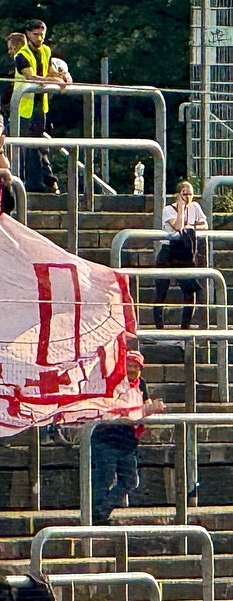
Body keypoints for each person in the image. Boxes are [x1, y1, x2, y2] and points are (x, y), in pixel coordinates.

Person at [91, 350, 163, 524]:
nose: (132, 370)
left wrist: (152, 409)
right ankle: (97, 516)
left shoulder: (141, 384)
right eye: (129, 365)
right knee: (104, 479)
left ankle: (101, 511)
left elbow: (144, 406)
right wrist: (147, 410)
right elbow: (121, 409)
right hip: (106, 438)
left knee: (130, 480)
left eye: (136, 367)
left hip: (128, 441)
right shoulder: (114, 382)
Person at [14, 20, 65, 193]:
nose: (40, 37)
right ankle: (32, 183)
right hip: (24, 107)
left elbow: (49, 71)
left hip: (40, 105)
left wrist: (61, 76)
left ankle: (44, 181)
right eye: (36, 34)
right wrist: (54, 80)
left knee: (39, 146)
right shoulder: (22, 54)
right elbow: (31, 77)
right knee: (30, 147)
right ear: (28, 34)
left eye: (42, 34)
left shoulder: (46, 50)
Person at [156, 180, 210, 330]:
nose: (188, 197)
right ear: (178, 195)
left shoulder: (195, 207)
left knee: (189, 289)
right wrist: (180, 209)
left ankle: (185, 326)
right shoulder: (168, 209)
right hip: (168, 251)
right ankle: (159, 327)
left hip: (184, 251)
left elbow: (204, 225)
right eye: (184, 194)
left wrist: (190, 227)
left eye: (190, 194)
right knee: (161, 290)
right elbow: (177, 227)